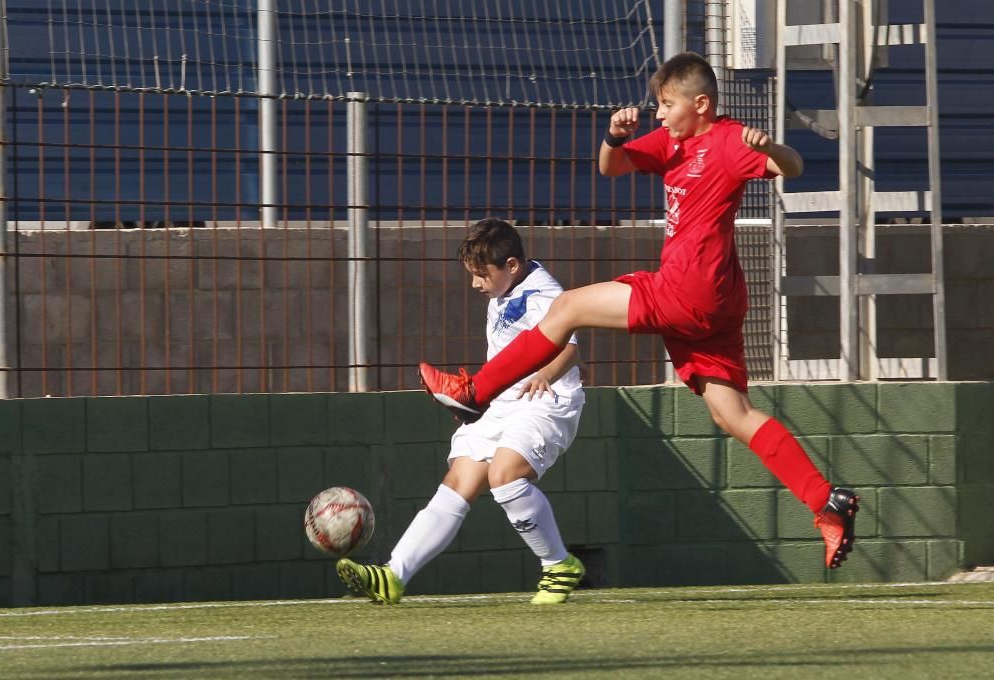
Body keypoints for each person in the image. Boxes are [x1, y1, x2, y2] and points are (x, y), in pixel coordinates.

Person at [418, 52, 859, 571]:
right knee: (731, 413)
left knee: (568, 307)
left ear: (701, 104)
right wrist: (614, 137)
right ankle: (826, 503)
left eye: (666, 105)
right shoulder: (671, 141)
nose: (659, 114)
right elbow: (612, 167)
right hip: (715, 301)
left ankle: (475, 392)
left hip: (689, 288)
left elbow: (794, 167)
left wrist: (772, 147)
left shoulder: (727, 139)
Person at [338, 218, 587, 604]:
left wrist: (545, 375)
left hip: (546, 400)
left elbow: (570, 349)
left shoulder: (544, 294)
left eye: (481, 275)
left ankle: (558, 564)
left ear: (512, 266)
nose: (475, 284)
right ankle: (394, 576)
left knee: (505, 476)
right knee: (459, 480)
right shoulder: (505, 284)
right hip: (503, 401)